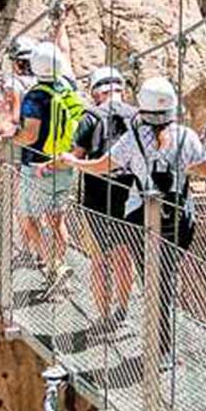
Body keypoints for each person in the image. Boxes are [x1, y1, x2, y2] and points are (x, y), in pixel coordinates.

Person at [64, 76, 206, 363]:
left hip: (142, 221)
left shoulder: (132, 139)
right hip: (180, 221)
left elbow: (100, 166)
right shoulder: (186, 137)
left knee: (153, 281)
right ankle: (163, 345)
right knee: (165, 278)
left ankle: (159, 344)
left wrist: (73, 161)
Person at [71, 65, 139, 327]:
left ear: (97, 92)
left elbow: (76, 156)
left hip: (96, 193)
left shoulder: (91, 116)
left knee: (99, 260)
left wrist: (56, 163)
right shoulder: (138, 117)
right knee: (123, 255)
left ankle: (102, 316)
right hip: (130, 193)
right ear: (121, 89)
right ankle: (122, 310)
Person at [15, 41, 85, 292]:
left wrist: (12, 134)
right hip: (64, 164)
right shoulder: (69, 88)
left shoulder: (35, 96)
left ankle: (55, 266)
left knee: (27, 217)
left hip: (37, 167)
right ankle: (59, 266)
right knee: (57, 221)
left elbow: (30, 136)